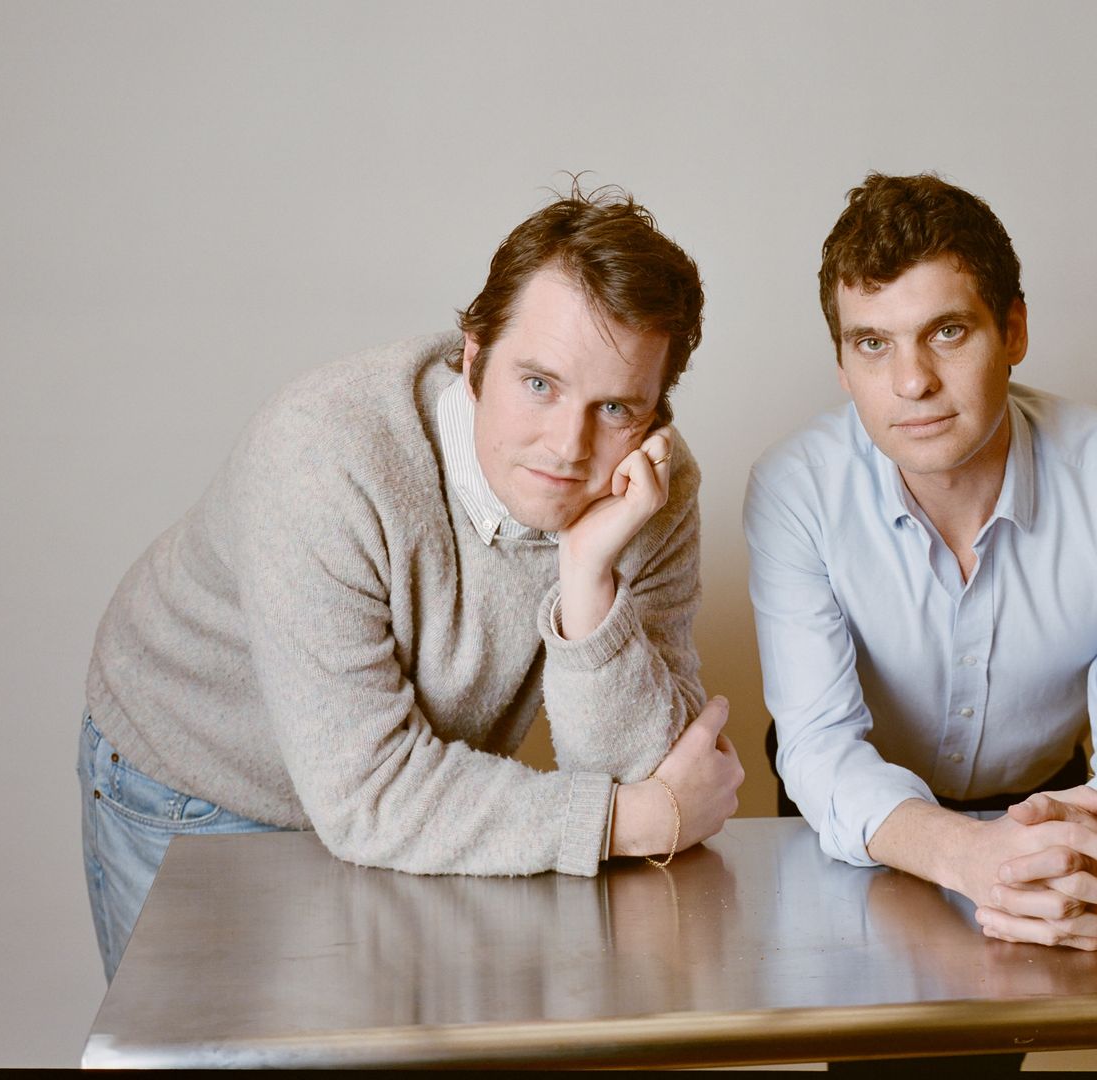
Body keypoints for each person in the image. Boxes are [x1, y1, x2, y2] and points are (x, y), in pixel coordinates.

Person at [80, 183, 744, 982]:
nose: (568, 445)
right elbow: (372, 797)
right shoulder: (325, 456)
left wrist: (587, 577)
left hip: (403, 788)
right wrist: (631, 819)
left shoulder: (648, 494)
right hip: (200, 776)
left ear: (655, 414)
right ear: (473, 356)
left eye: (615, 409)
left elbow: (654, 770)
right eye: (539, 384)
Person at [746, 172, 1097, 959]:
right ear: (842, 364)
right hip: (860, 817)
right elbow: (819, 747)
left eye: (947, 332)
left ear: (1014, 331)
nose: (913, 381)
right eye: (873, 344)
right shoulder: (795, 489)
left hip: (1055, 811)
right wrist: (969, 856)